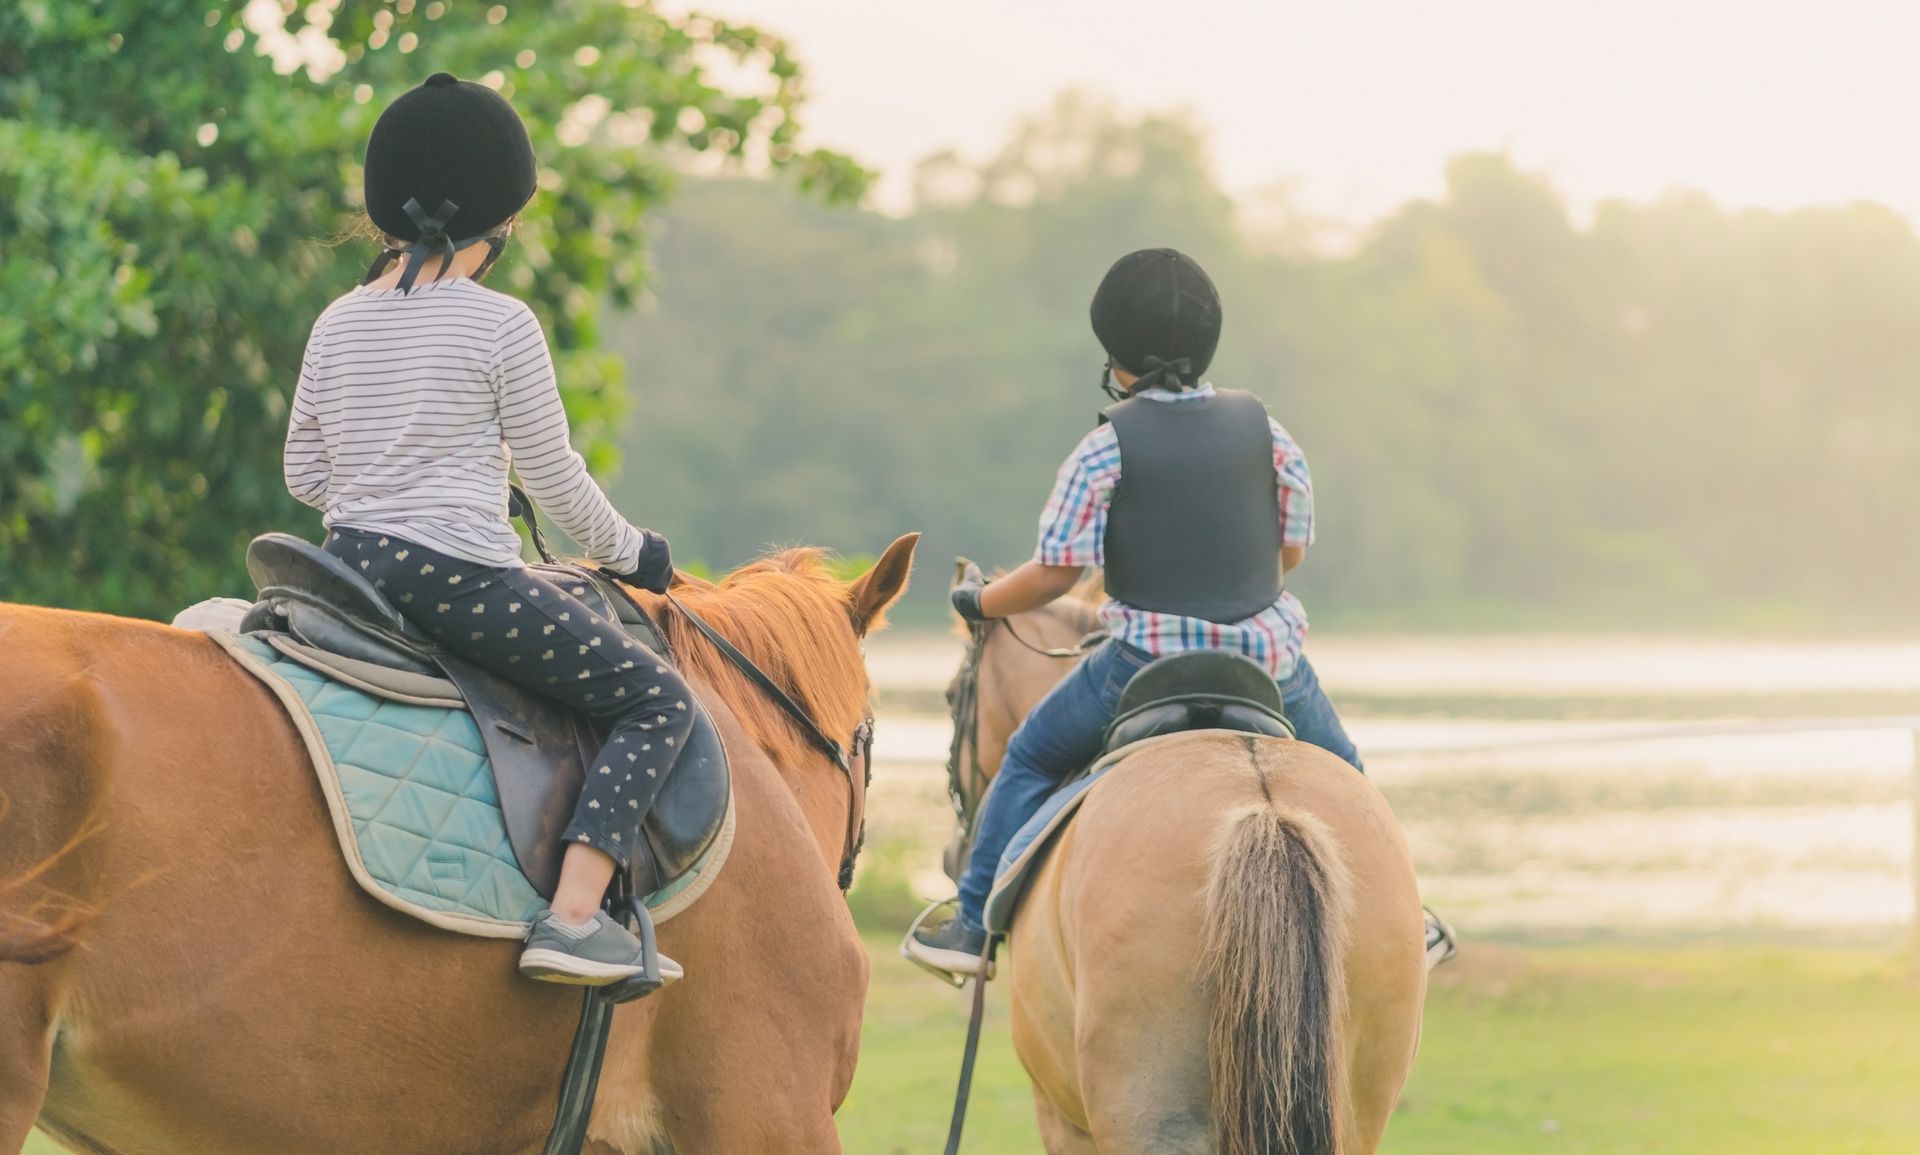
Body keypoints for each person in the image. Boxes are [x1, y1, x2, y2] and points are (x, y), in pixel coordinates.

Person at [907, 248, 1455, 976]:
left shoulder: (1106, 448)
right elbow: (1290, 552)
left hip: (1142, 665)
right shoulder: (1270, 434)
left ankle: (973, 926)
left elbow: (1055, 573)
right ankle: (1407, 918)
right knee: (1347, 773)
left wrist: (979, 599)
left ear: (1116, 358)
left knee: (1031, 757)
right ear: (1208, 346)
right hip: (1270, 663)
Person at [284, 72, 690, 987]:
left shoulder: (338, 320)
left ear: (388, 213)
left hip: (347, 566)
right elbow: (554, 480)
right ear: (501, 218)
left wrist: (387, 489)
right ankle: (576, 917)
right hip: (456, 578)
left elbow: (303, 472)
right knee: (655, 699)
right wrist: (636, 553)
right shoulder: (503, 325)